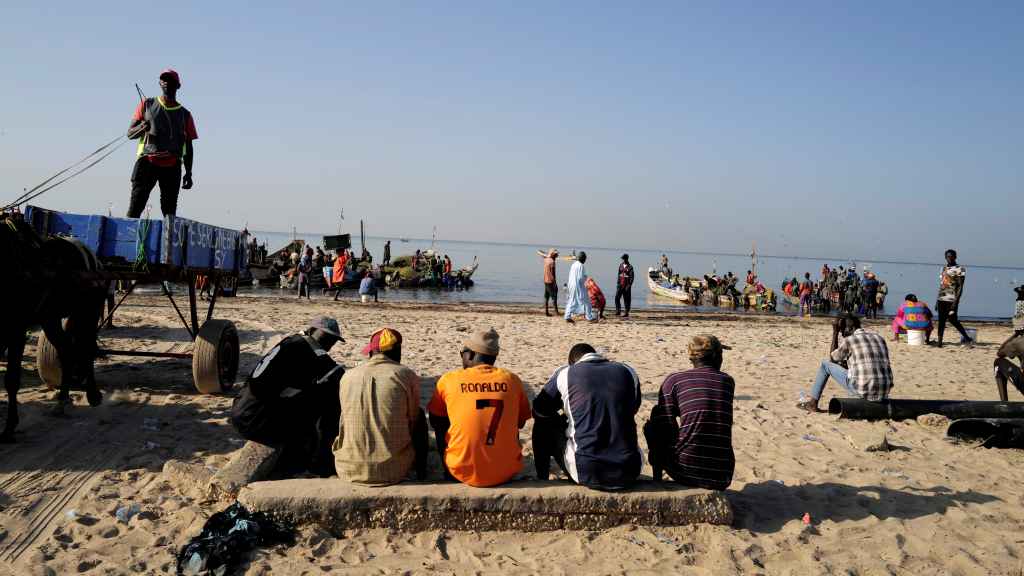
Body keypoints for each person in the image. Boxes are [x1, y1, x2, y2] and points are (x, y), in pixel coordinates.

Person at [230, 317, 345, 476]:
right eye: (327, 339)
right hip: (255, 421)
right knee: (329, 397)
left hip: (240, 410)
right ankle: (322, 463)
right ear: (311, 331)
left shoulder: (291, 341)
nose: (329, 345)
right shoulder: (311, 352)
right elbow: (338, 375)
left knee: (318, 391)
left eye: (332, 341)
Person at [426, 329, 531, 487]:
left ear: (470, 354)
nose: (462, 357)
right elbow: (521, 423)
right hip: (506, 472)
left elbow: (435, 420)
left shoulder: (449, 380)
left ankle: (450, 469)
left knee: (441, 421)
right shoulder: (512, 380)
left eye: (462, 353)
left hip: (459, 471)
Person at [533, 343, 642, 490]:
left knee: (542, 425)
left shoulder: (566, 374)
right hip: (629, 470)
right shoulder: (628, 371)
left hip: (586, 471)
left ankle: (542, 478)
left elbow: (539, 410)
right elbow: (633, 409)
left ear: (572, 363)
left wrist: (563, 416)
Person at [333, 328, 428, 485]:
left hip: (347, 469)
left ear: (372, 352)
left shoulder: (348, 376)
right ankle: (421, 473)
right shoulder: (406, 375)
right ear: (398, 351)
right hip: (394, 471)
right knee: (421, 417)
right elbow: (413, 420)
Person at [643, 335, 735, 491]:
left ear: (692, 358)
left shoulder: (675, 381)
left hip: (685, 470)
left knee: (654, 423)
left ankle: (657, 478)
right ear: (717, 356)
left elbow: (665, 424)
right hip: (722, 474)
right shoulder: (727, 381)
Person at [126, 69, 198, 218]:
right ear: (160, 83)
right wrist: (142, 126)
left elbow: (189, 147)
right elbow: (130, 134)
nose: (167, 83)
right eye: (164, 80)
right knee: (135, 208)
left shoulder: (185, 115)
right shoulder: (147, 104)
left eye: (171, 80)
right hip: (147, 163)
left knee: (169, 213)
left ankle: (168, 241)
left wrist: (189, 173)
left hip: (172, 167)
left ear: (178, 86)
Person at [796, 314, 893, 412]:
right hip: (884, 392)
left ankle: (813, 403)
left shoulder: (850, 340)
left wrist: (835, 332)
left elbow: (833, 358)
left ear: (851, 327)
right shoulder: (879, 338)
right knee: (846, 366)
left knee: (825, 365)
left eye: (843, 330)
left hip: (862, 389)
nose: (842, 334)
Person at [936, 249, 972, 347]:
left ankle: (966, 337)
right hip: (941, 298)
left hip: (952, 299)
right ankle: (939, 342)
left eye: (951, 256)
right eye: (947, 256)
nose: (949, 258)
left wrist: (956, 301)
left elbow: (960, 286)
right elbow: (942, 285)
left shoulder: (960, 269)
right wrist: (936, 300)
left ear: (955, 257)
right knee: (941, 320)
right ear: (945, 257)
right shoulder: (943, 268)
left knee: (953, 320)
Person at [564, 251, 595, 323]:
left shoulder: (574, 264)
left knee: (571, 300)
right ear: (582, 258)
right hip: (577, 285)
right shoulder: (581, 265)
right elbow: (581, 278)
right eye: (585, 259)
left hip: (571, 285)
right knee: (587, 301)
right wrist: (586, 277)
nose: (585, 260)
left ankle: (567, 316)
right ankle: (589, 317)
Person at [537, 249, 560, 317]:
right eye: (556, 254)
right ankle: (556, 312)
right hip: (551, 281)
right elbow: (553, 274)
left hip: (545, 280)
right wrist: (555, 283)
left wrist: (547, 255)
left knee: (546, 297)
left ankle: (546, 312)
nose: (557, 255)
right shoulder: (552, 262)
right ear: (553, 255)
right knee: (554, 297)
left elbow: (539, 252)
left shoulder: (546, 259)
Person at [615, 254, 634, 318]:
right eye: (622, 259)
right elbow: (619, 274)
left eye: (623, 258)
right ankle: (618, 310)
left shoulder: (630, 267)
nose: (623, 260)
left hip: (626, 285)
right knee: (617, 298)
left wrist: (629, 285)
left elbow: (632, 277)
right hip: (620, 285)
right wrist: (618, 283)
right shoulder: (620, 265)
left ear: (626, 259)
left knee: (626, 300)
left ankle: (626, 312)